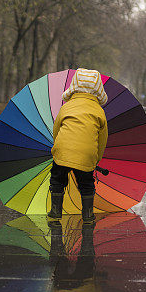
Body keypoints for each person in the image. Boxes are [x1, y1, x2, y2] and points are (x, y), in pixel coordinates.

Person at [49, 68, 108, 222]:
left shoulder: (66, 107)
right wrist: (96, 160)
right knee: (86, 183)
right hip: (87, 155)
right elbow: (102, 140)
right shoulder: (99, 111)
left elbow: (57, 131)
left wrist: (56, 150)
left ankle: (55, 211)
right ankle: (88, 214)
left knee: (57, 179)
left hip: (62, 152)